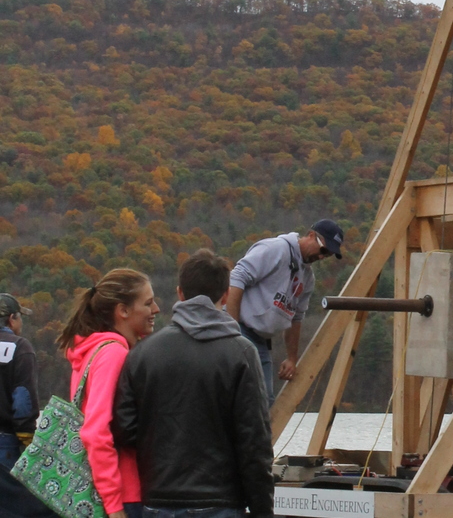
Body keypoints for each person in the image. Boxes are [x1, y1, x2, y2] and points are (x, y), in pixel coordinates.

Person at [113, 249, 273, 518]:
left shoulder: (142, 353)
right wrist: (262, 511)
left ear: (180, 293)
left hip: (158, 501)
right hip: (221, 501)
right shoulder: (242, 353)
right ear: (225, 295)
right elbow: (254, 442)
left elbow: (124, 429)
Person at [57, 269, 160, 518]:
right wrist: (114, 507)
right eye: (147, 303)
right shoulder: (113, 354)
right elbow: (96, 431)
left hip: (103, 492)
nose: (156, 309)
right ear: (122, 311)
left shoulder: (91, 350)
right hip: (123, 496)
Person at [226, 219, 343, 405]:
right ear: (311, 236)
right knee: (240, 397)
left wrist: (291, 358)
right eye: (323, 250)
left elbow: (296, 318)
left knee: (265, 402)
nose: (322, 257)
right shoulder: (276, 249)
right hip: (240, 328)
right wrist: (230, 331)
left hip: (261, 339)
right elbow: (237, 278)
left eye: (327, 255)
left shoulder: (307, 278)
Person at [0, 293, 37, 470]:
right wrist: (27, 435)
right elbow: (23, 397)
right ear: (11, 318)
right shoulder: (19, 347)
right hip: (4, 442)